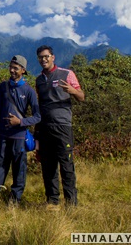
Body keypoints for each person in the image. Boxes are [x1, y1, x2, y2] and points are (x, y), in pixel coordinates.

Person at [35, 45, 85, 208]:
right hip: (44, 127)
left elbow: (81, 97)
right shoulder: (39, 80)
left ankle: (71, 203)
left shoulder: (67, 74)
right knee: (48, 167)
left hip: (63, 127)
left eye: (46, 56)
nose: (44, 59)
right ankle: (52, 201)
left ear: (53, 57)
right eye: (41, 57)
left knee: (66, 165)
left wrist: (72, 91)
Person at [0, 55, 40, 205]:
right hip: (2, 135)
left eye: (16, 68)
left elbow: (37, 116)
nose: (12, 70)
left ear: (23, 70)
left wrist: (21, 122)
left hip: (19, 136)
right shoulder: (3, 87)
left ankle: (15, 198)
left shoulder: (29, 91)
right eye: (11, 67)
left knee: (19, 168)